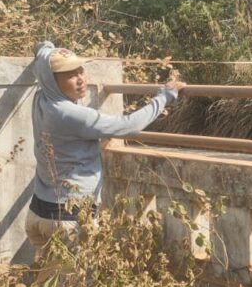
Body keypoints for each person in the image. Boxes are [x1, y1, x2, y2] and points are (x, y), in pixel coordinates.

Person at [25, 41, 186, 251]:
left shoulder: (42, 95)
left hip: (38, 212)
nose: (81, 79)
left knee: (48, 278)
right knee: (74, 283)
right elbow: (128, 125)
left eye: (80, 70)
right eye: (70, 75)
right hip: (66, 221)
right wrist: (163, 97)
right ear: (52, 81)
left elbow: (42, 52)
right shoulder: (69, 114)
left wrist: (45, 47)